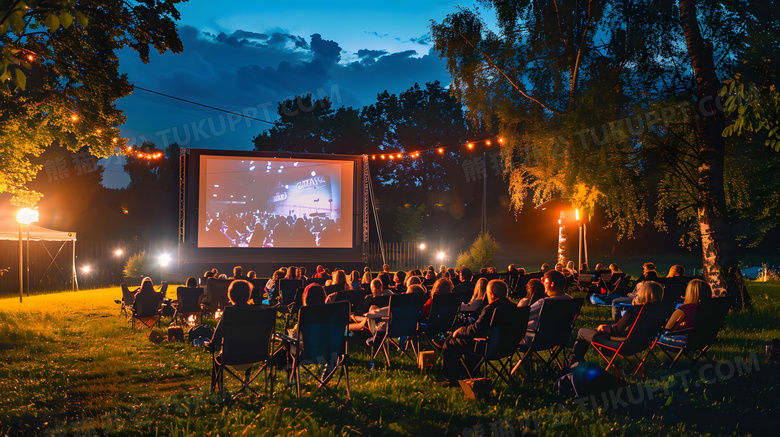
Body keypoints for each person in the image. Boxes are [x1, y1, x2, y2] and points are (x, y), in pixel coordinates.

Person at [440, 280, 516, 386]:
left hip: (488, 348)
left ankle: (451, 379)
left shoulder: (490, 309)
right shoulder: (514, 308)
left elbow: (475, 331)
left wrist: (460, 331)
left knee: (450, 342)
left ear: (491, 294)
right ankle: (467, 373)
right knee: (469, 342)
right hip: (508, 347)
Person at [568, 281, 664, 365]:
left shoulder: (636, 310)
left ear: (643, 295)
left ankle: (573, 364)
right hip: (643, 344)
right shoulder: (660, 311)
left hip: (624, 345)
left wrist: (603, 327)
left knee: (581, 332)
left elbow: (615, 329)